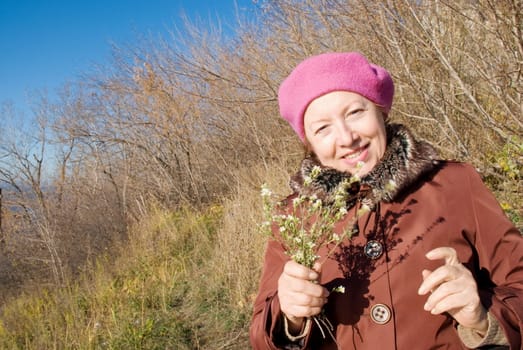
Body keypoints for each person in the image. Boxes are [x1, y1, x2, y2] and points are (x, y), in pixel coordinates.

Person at [249, 52, 523, 349]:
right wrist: (289, 317)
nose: (346, 137)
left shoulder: (455, 184)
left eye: (355, 112)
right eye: (323, 128)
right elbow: (262, 335)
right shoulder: (294, 216)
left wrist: (481, 316)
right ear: (310, 143)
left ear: (381, 111)